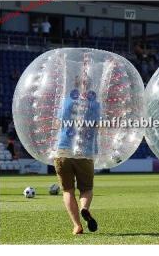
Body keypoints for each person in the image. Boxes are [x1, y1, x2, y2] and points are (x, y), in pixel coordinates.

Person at [54, 81, 100, 235]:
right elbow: (98, 126)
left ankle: (77, 226)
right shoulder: (95, 105)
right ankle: (84, 208)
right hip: (85, 152)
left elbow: (56, 123)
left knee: (68, 190)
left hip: (63, 150)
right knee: (86, 189)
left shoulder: (65, 102)